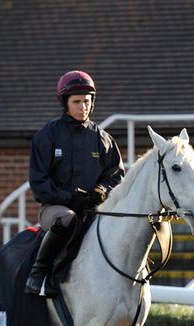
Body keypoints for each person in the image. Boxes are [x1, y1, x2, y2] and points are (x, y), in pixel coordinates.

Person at [24, 70, 125, 297]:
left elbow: (116, 175)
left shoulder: (103, 139)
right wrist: (68, 198)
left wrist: (101, 190)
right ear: (65, 103)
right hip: (56, 209)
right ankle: (39, 273)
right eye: (76, 102)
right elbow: (39, 182)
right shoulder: (47, 136)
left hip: (94, 209)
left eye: (86, 102)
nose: (82, 107)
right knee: (68, 218)